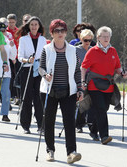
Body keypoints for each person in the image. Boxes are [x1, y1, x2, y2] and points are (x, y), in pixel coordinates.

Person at [39, 19, 83, 164]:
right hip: (49, 91)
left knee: (70, 122)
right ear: (51, 33)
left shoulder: (72, 50)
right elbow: (40, 68)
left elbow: (77, 71)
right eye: (56, 31)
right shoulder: (47, 49)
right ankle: (50, 150)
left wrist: (80, 88)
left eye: (62, 30)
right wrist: (46, 75)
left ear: (65, 33)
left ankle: (71, 152)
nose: (60, 33)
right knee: (49, 121)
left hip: (68, 91)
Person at [81, 26, 127, 144]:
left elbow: (117, 67)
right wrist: (82, 81)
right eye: (104, 36)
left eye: (108, 36)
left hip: (108, 85)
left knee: (104, 109)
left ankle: (93, 130)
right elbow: (84, 67)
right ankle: (104, 136)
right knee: (100, 108)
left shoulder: (113, 51)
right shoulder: (92, 51)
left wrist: (122, 73)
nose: (106, 38)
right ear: (98, 38)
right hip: (94, 85)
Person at [16, 16, 46, 134]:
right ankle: (25, 125)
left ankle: (41, 125)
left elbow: (45, 54)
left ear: (39, 26)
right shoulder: (23, 39)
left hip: (39, 71)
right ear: (28, 26)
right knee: (26, 98)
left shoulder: (43, 39)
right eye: (32, 24)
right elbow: (19, 57)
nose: (34, 27)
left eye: (36, 25)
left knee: (39, 98)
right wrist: (28, 60)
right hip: (27, 70)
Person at [0, 22, 16, 122]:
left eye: (4, 31)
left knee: (6, 94)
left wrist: (13, 46)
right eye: (0, 31)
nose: (2, 32)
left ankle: (5, 114)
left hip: (6, 72)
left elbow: (12, 57)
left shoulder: (7, 41)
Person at [75, 29, 94, 133]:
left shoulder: (93, 50)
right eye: (85, 40)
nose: (87, 42)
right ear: (81, 39)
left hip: (91, 77)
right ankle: (78, 124)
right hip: (78, 77)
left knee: (89, 101)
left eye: (90, 40)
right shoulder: (76, 50)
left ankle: (90, 124)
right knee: (80, 100)